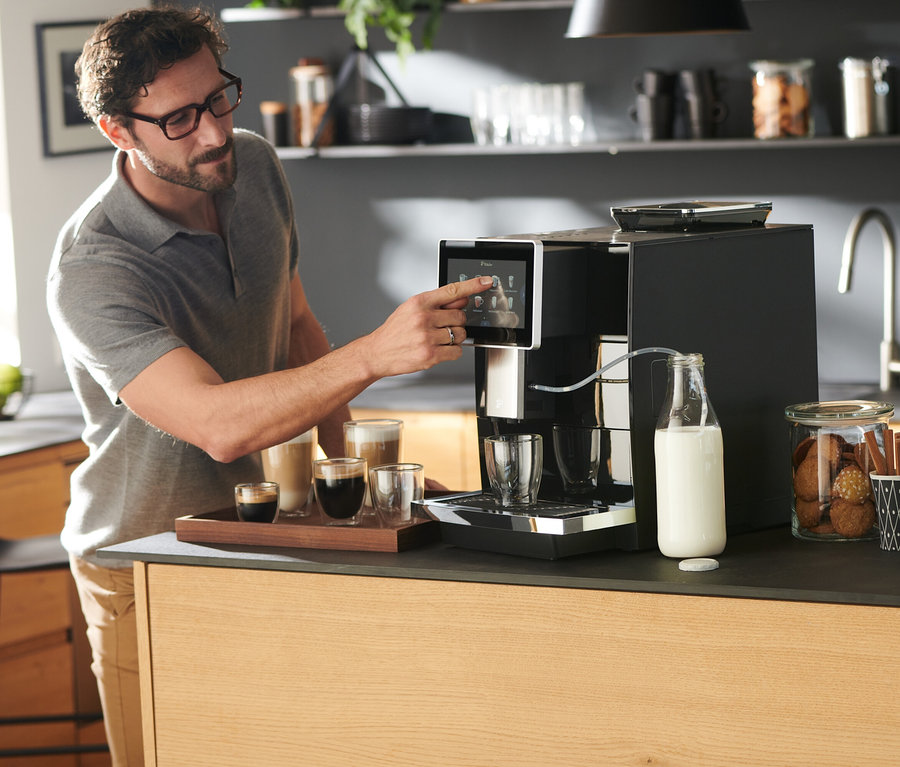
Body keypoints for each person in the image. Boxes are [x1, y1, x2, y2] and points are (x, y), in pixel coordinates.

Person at [46, 6, 489, 765]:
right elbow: (217, 424)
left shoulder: (253, 166)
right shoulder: (94, 268)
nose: (213, 131)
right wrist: (376, 353)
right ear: (121, 131)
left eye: (219, 98)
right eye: (180, 118)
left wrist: (376, 486)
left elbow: (297, 326)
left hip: (261, 537)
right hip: (142, 563)